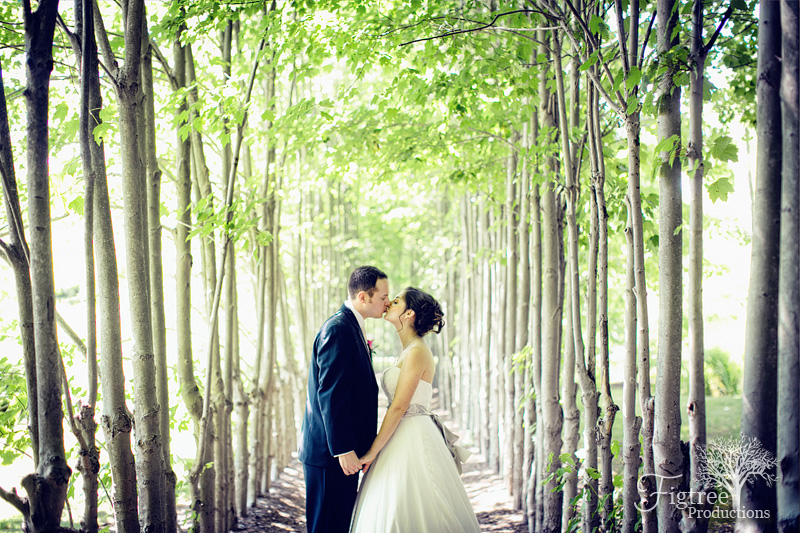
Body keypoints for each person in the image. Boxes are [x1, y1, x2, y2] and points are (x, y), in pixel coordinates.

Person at [349, 287, 480, 533]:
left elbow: (399, 407)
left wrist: (371, 453)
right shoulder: (409, 350)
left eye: (395, 300)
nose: (388, 303)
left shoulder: (418, 350)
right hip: (400, 433)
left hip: (413, 434)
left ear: (409, 313)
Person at [299, 266, 390, 533]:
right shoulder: (338, 329)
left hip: (345, 455)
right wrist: (343, 449)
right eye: (383, 297)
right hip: (331, 456)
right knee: (327, 526)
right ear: (363, 297)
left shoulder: (352, 327)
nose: (388, 302)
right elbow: (331, 393)